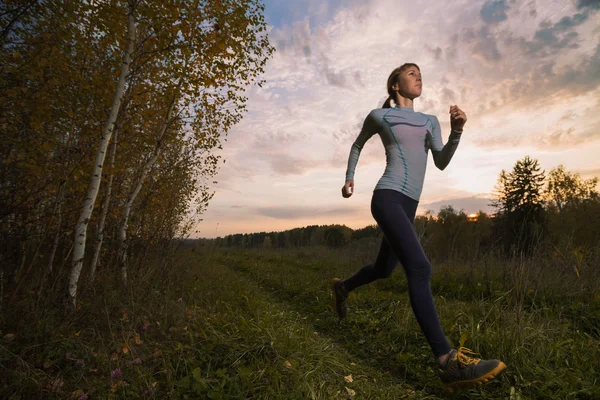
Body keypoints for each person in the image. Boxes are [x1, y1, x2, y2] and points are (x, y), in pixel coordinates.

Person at [331, 63, 506, 392]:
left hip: (408, 206)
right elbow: (357, 145)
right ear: (395, 85)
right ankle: (446, 361)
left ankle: (343, 288)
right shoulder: (379, 116)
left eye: (419, 73)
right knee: (420, 268)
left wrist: (457, 131)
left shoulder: (430, 121)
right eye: (411, 73)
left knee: (384, 269)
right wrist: (349, 176)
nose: (418, 76)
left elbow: (440, 161)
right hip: (387, 198)